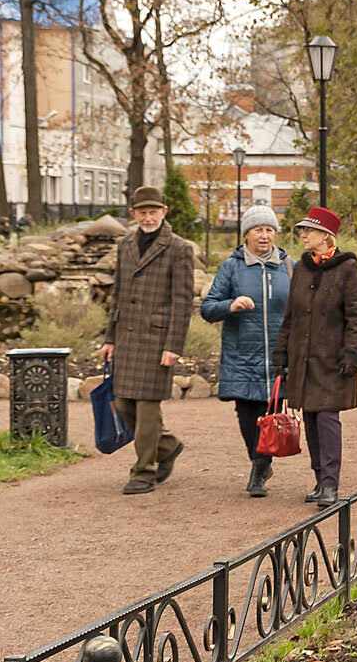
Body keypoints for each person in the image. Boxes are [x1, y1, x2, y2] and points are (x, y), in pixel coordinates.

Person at [99, 186, 193, 495]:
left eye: (154, 212)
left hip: (157, 340)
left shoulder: (179, 248)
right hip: (126, 338)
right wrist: (109, 338)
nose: (148, 217)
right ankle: (167, 446)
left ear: (164, 212)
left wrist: (173, 346)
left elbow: (182, 302)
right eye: (143, 212)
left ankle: (143, 471)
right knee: (124, 403)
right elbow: (118, 295)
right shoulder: (125, 244)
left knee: (147, 408)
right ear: (134, 214)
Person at [272, 207, 357, 509]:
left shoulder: (347, 268)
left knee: (327, 418)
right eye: (302, 230)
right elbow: (290, 316)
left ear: (326, 236)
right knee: (311, 419)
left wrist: (352, 354)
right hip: (303, 359)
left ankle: (330, 483)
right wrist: (281, 354)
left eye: (309, 230)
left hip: (332, 360)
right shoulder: (301, 268)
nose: (303, 234)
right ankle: (319, 480)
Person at [201, 206, 293, 498]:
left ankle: (259, 469)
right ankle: (259, 462)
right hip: (242, 355)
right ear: (246, 235)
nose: (264, 236)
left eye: (269, 230)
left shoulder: (290, 266)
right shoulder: (232, 267)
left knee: (271, 414)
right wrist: (231, 305)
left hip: (278, 354)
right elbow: (207, 308)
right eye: (258, 230)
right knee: (247, 414)